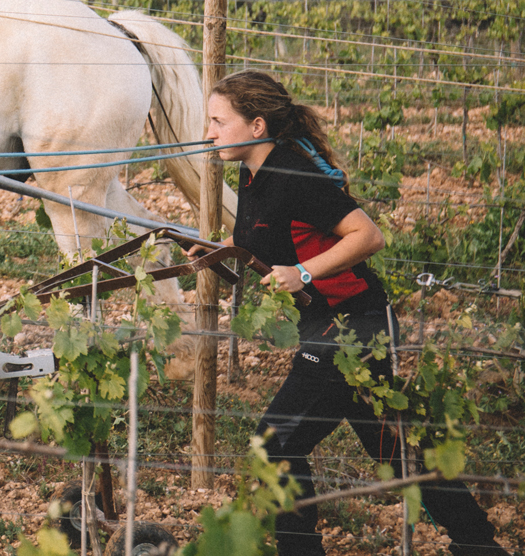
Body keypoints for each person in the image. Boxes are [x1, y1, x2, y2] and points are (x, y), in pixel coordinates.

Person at [197, 70, 508, 556]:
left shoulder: (295, 174)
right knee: (395, 450)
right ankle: (479, 543)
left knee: (275, 444)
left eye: (218, 121)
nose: (208, 132)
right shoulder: (252, 174)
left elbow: (368, 236)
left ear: (257, 126)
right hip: (330, 328)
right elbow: (262, 238)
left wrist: (301, 273)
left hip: (352, 328)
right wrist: (223, 252)